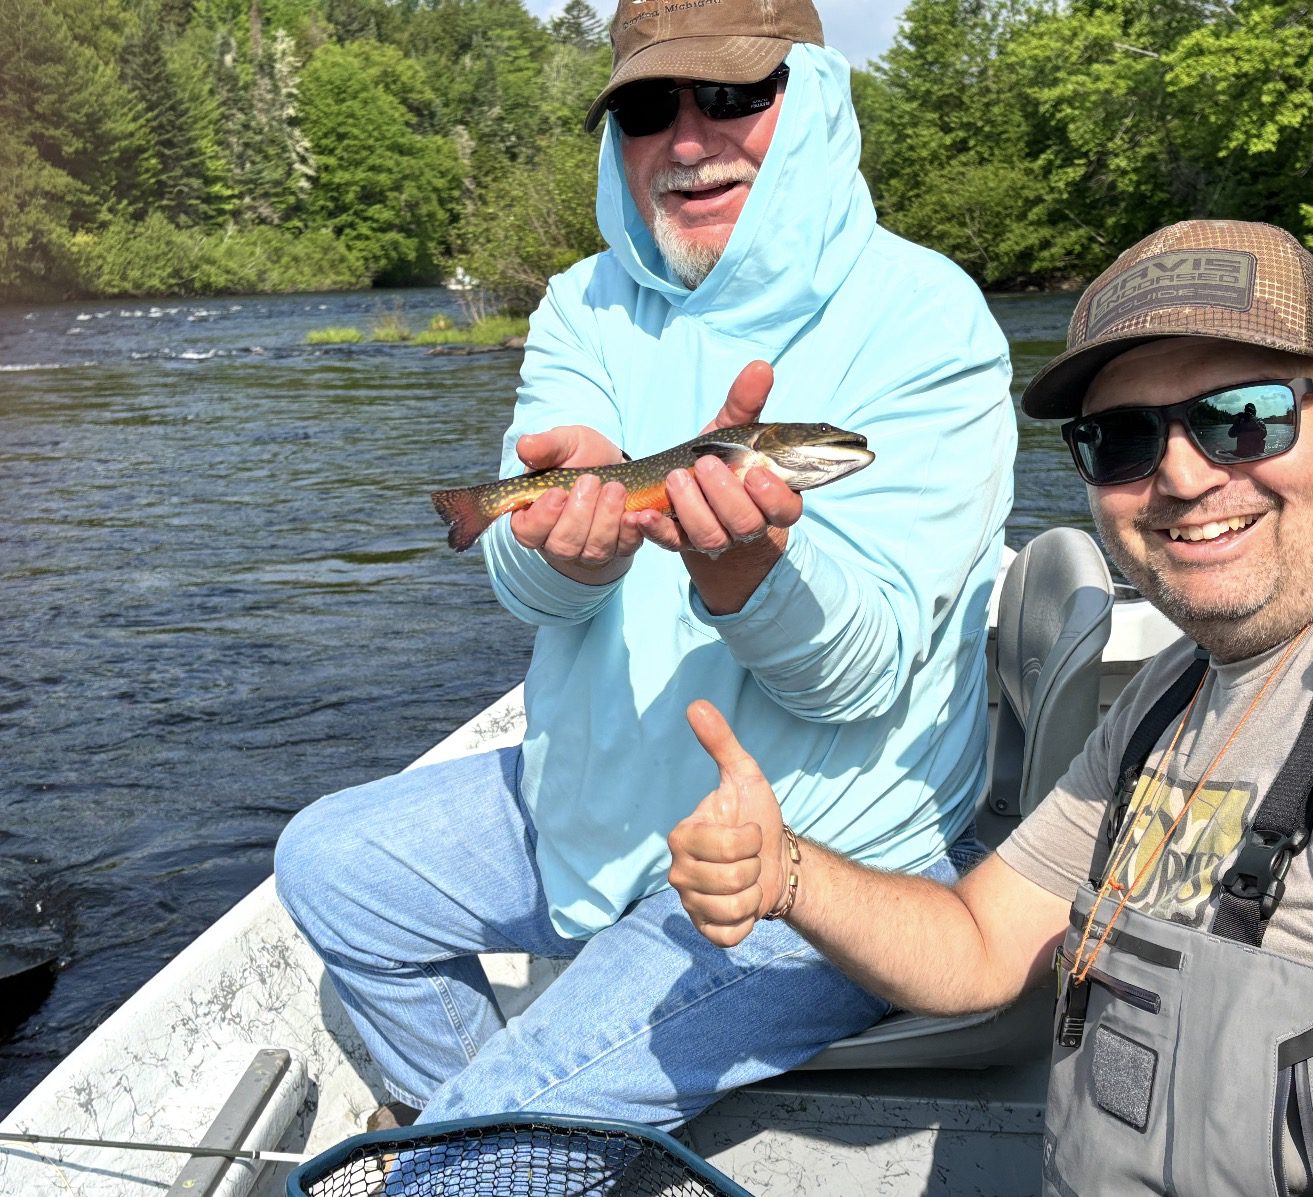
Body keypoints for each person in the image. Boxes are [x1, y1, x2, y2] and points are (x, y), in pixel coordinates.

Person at [274, 0, 1015, 1134]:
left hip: (820, 847)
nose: (686, 138)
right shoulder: (580, 306)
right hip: (601, 791)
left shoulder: (930, 323)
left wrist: (747, 575)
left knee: (498, 1133)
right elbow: (528, 592)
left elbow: (857, 686)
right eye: (644, 107)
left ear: (811, 101)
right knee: (329, 865)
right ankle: (470, 1118)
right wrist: (566, 560)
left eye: (730, 96)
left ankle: (482, 1137)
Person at [669, 218, 1313, 1196]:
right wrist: (787, 869)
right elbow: (979, 948)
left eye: (1246, 415)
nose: (1183, 478)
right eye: (1124, 439)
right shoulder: (1166, 696)